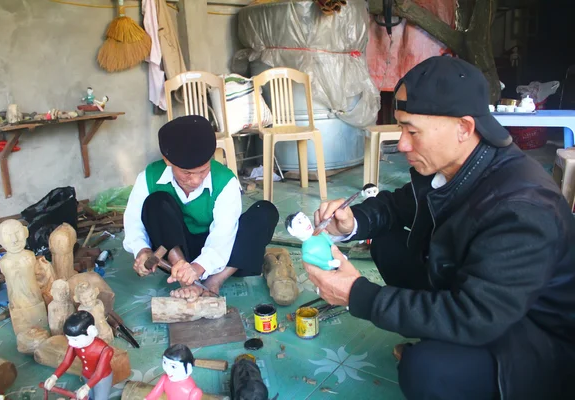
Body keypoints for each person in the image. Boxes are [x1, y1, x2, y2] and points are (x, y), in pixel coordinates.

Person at [303, 56, 575, 400]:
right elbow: (396, 204)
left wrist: (357, 294)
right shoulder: (446, 164)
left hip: (534, 340)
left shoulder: (522, 208)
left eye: (412, 131)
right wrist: (352, 221)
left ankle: (449, 353)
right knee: (386, 243)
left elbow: (477, 316)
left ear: (463, 128)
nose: (402, 144)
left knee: (426, 371)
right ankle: (439, 335)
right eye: (400, 127)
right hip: (480, 295)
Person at [123, 115, 279, 301]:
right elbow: (133, 221)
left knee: (265, 212)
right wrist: (142, 251)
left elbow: (223, 235)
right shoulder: (148, 177)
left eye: (203, 171)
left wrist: (197, 268)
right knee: (156, 202)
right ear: (167, 160)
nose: (196, 180)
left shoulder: (225, 181)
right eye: (186, 173)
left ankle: (214, 282)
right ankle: (186, 281)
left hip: (221, 253)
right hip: (178, 251)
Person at [44, 311, 114, 400]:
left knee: (100, 398)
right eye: (68, 338)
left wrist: (86, 387)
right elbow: (66, 362)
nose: (70, 342)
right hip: (86, 375)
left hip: (102, 379)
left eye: (75, 339)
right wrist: (54, 377)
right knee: (90, 396)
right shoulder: (74, 345)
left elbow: (99, 374)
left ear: (91, 332)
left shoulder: (105, 350)